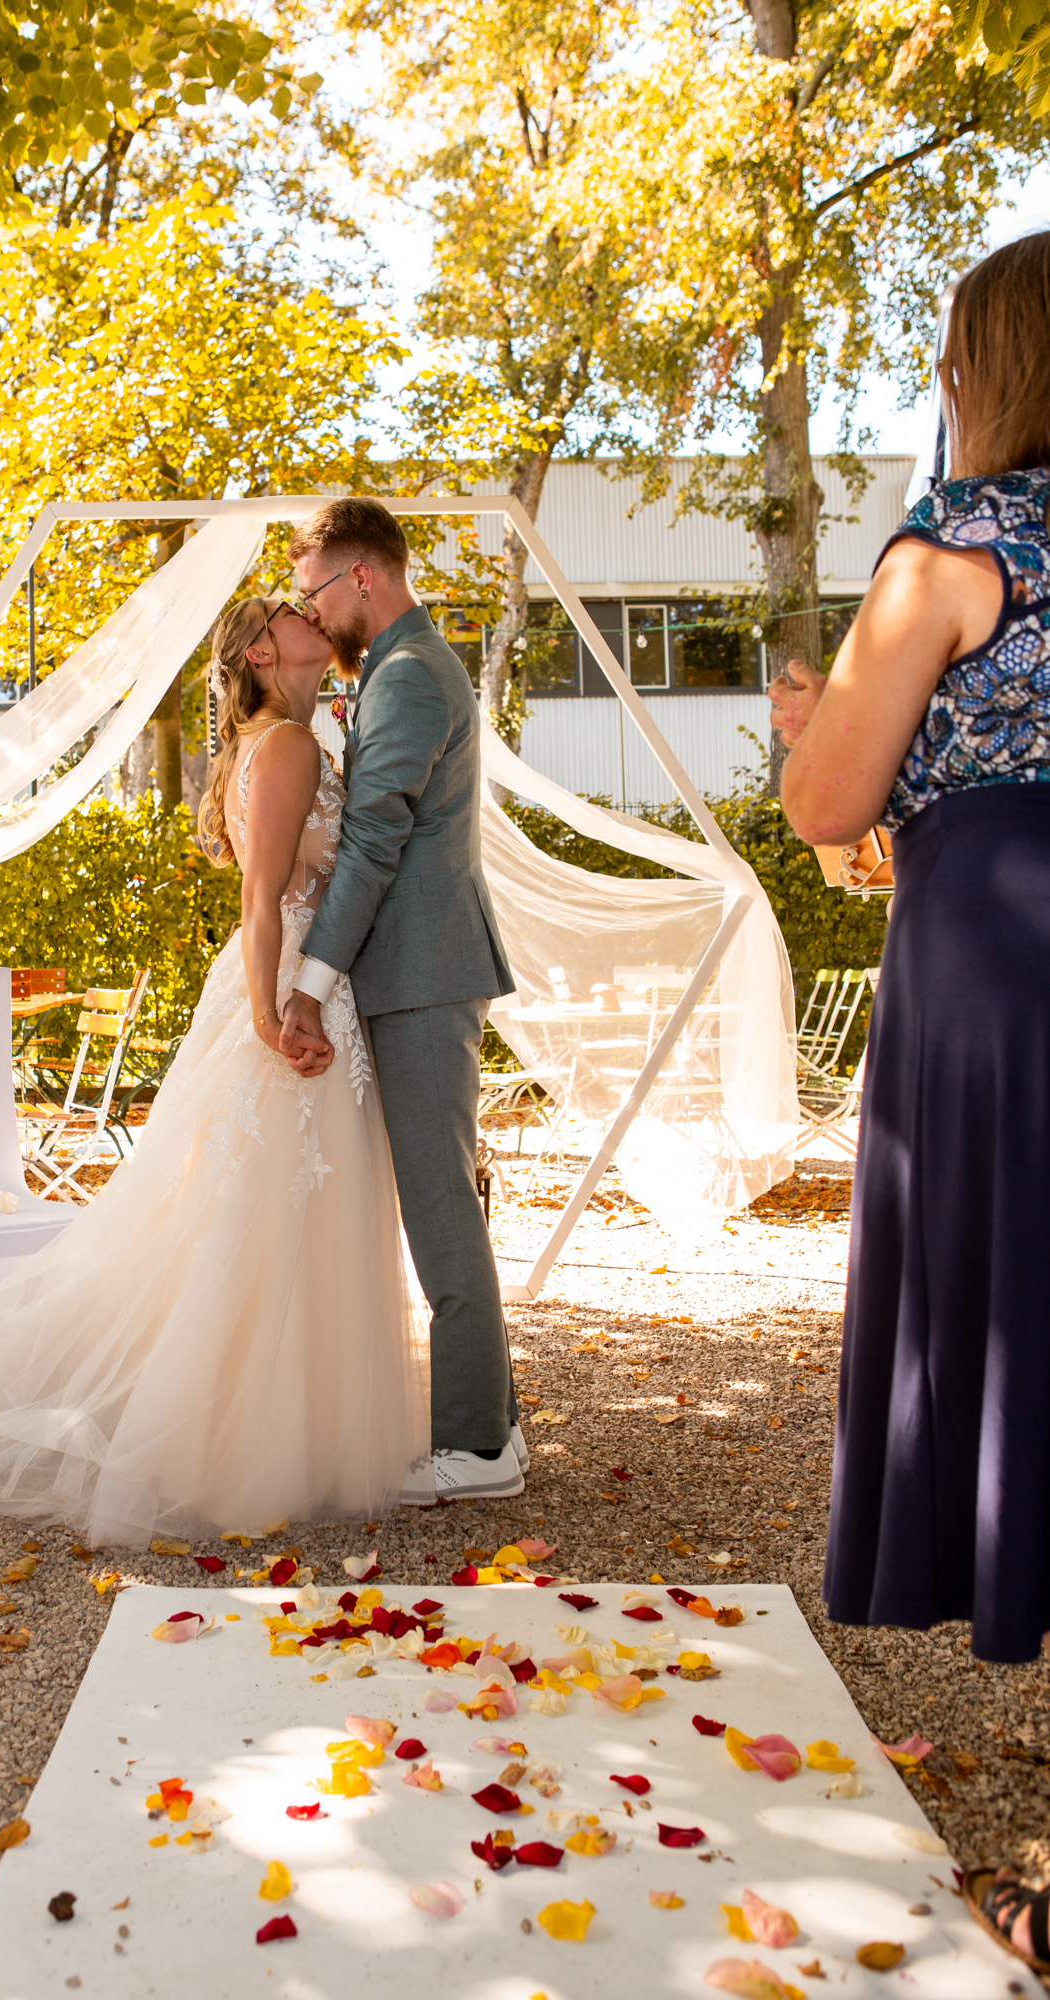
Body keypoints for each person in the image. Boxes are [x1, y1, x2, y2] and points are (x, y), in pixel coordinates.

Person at [0, 594, 428, 1543]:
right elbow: (263, 898)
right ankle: (229, 1441)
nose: (315, 617)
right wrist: (269, 1015)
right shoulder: (288, 747)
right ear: (263, 650)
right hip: (291, 989)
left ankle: (277, 1434)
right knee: (264, 1213)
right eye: (296, 613)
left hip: (301, 981)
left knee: (269, 1213)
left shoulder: (288, 738)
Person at [770, 229, 1050, 1975]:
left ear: (983, 368)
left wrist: (819, 727)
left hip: (1005, 991)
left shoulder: (954, 549)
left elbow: (825, 802)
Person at [278, 498, 526, 1502]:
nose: (312, 609)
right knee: (437, 1199)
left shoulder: (412, 676)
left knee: (438, 1207)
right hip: (413, 974)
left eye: (313, 591)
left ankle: (475, 1446)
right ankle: (492, 1424)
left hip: (422, 978)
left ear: (363, 578)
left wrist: (308, 981)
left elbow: (376, 838)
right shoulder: (392, 670)